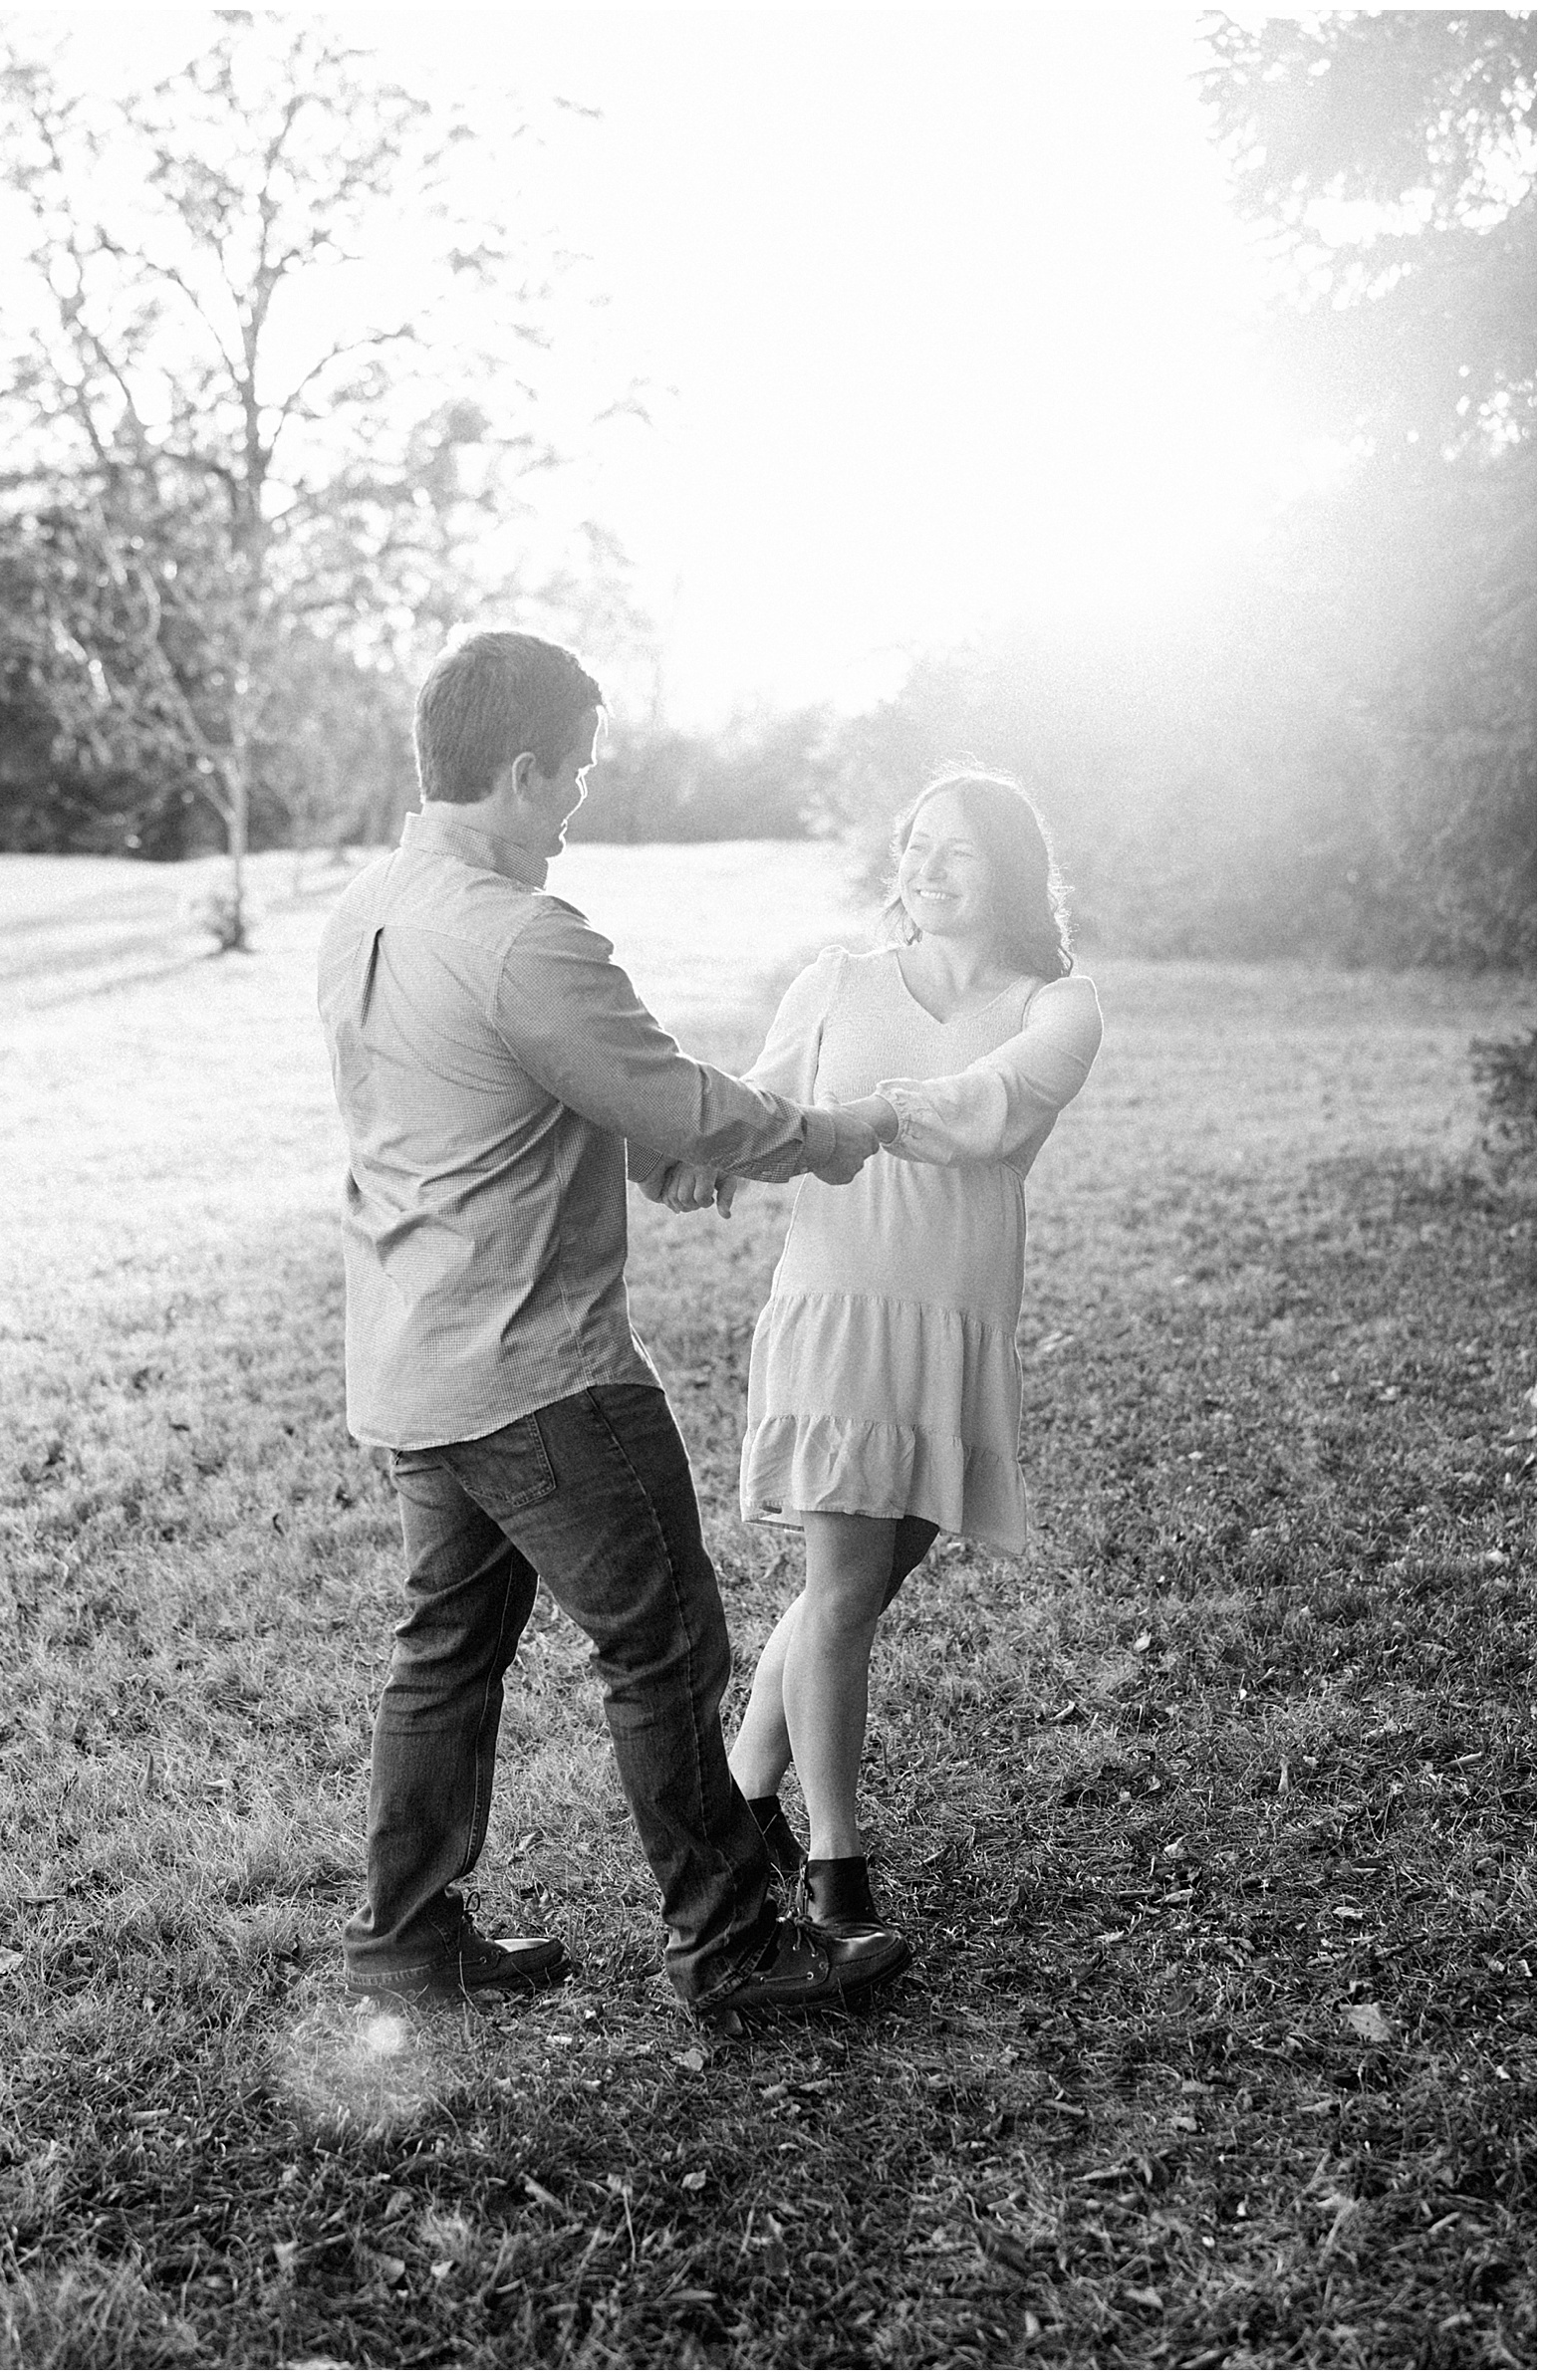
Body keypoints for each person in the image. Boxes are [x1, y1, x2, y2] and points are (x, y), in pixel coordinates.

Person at [316, 626, 912, 2024]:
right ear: (522, 772)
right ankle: (733, 1946)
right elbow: (680, 1099)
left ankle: (406, 1935)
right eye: (575, 775)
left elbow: (495, 1093)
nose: (580, 804)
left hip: (415, 1355)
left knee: (444, 1649)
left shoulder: (368, 907)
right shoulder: (524, 934)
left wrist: (647, 1152)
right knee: (666, 1645)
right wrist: (824, 1134)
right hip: (540, 1372)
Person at [658, 770, 1102, 1940]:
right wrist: (709, 1153)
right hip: (840, 1308)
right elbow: (762, 1106)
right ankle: (834, 1866)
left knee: (852, 1582)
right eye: (915, 844)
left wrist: (869, 1117)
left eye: (956, 850)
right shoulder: (836, 981)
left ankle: (745, 1791)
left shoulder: (1055, 1007)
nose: (926, 865)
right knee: (847, 1594)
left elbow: (994, 1105)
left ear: (1009, 868)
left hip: (950, 1320)